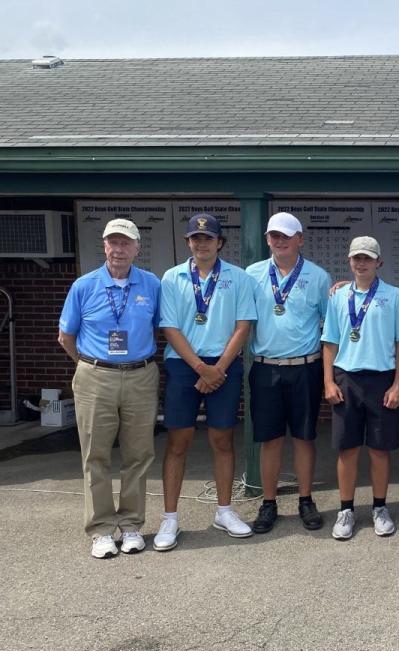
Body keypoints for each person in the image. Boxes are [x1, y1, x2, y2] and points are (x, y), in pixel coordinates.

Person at [58, 219, 161, 558]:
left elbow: (162, 327)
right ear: (104, 246)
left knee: (138, 454)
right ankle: (101, 529)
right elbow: (66, 336)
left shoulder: (151, 284)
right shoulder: (84, 286)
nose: (119, 250)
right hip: (95, 375)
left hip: (140, 375)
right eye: (112, 243)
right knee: (96, 455)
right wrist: (88, 365)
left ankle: (131, 525)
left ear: (137, 248)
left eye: (125, 243)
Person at [153, 213, 257, 551]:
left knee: (222, 440)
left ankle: (224, 511)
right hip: (184, 364)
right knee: (178, 442)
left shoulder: (238, 278)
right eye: (195, 239)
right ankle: (170, 518)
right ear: (188, 243)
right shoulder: (171, 278)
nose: (201, 243)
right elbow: (169, 327)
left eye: (208, 238)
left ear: (220, 243)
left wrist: (218, 369)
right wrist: (201, 368)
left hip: (224, 365)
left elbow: (243, 326)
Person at [322, 236, 399, 540]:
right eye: (356, 258)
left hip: (381, 380)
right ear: (350, 261)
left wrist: (398, 384)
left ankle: (379, 507)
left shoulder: (395, 297)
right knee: (347, 449)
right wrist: (327, 381)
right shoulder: (337, 297)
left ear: (379, 262)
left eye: (368, 258)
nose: (361, 263)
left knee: (379, 450)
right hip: (346, 379)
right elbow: (330, 342)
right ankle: (346, 510)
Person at [245, 212, 331, 534]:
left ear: (300, 239)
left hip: (305, 368)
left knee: (305, 438)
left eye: (285, 235)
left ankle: (305, 499)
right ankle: (269, 503)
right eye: (273, 236)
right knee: (270, 440)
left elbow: (329, 328)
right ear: (267, 239)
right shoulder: (251, 275)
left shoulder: (318, 277)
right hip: (266, 368)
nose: (279, 241)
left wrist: (327, 375)